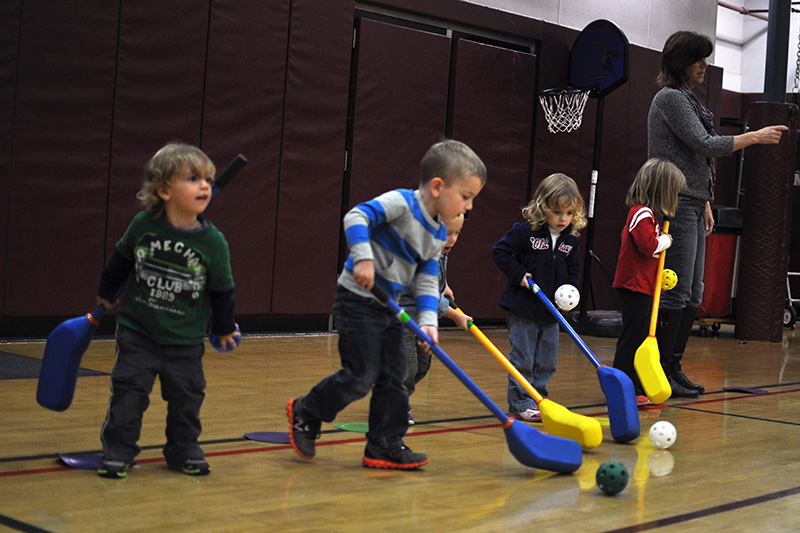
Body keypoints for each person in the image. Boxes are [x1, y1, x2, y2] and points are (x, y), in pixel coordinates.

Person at [287, 139, 486, 469]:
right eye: (466, 197)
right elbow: (356, 216)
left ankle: (384, 442)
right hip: (357, 300)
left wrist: (428, 322)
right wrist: (363, 258)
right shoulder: (402, 203)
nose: (469, 206)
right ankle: (307, 409)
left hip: (390, 306)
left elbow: (425, 277)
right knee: (362, 374)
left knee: (395, 376)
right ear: (437, 186)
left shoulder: (437, 233)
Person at [648, 31, 787, 397]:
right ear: (682, 62)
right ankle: (660, 370)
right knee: (677, 293)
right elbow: (704, 145)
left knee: (694, 292)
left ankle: (673, 367)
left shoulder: (689, 99)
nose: (704, 67)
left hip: (693, 202)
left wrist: (706, 200)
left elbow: (694, 158)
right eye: (699, 60)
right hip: (674, 204)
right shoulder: (670, 99)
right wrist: (753, 137)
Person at [95, 143, 240, 478]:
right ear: (164, 190)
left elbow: (222, 290)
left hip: (186, 339)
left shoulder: (213, 242)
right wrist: (105, 294)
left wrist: (223, 327)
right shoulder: (143, 225)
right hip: (138, 332)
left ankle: (183, 449)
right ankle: (118, 451)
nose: (204, 185)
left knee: (187, 399)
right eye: (192, 179)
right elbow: (120, 261)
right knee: (128, 396)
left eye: (208, 179)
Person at [492, 173, 585, 423]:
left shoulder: (570, 241)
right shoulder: (526, 233)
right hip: (524, 310)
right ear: (543, 208)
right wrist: (519, 274)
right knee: (523, 359)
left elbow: (574, 271)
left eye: (568, 213)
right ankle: (520, 401)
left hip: (551, 313)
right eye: (557, 212)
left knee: (546, 361)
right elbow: (500, 252)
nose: (563, 219)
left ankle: (538, 398)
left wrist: (570, 293)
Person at [612, 158, 687, 405]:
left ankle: (633, 384)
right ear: (662, 191)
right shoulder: (641, 213)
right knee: (632, 337)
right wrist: (664, 241)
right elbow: (647, 246)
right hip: (633, 286)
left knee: (640, 335)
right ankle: (622, 385)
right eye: (673, 193)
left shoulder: (650, 216)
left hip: (645, 285)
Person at [400, 213, 471, 425]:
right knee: (407, 368)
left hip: (422, 320)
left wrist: (444, 285)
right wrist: (456, 315)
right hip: (401, 319)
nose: (453, 239)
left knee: (422, 364)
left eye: (457, 233)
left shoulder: (440, 249)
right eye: (447, 233)